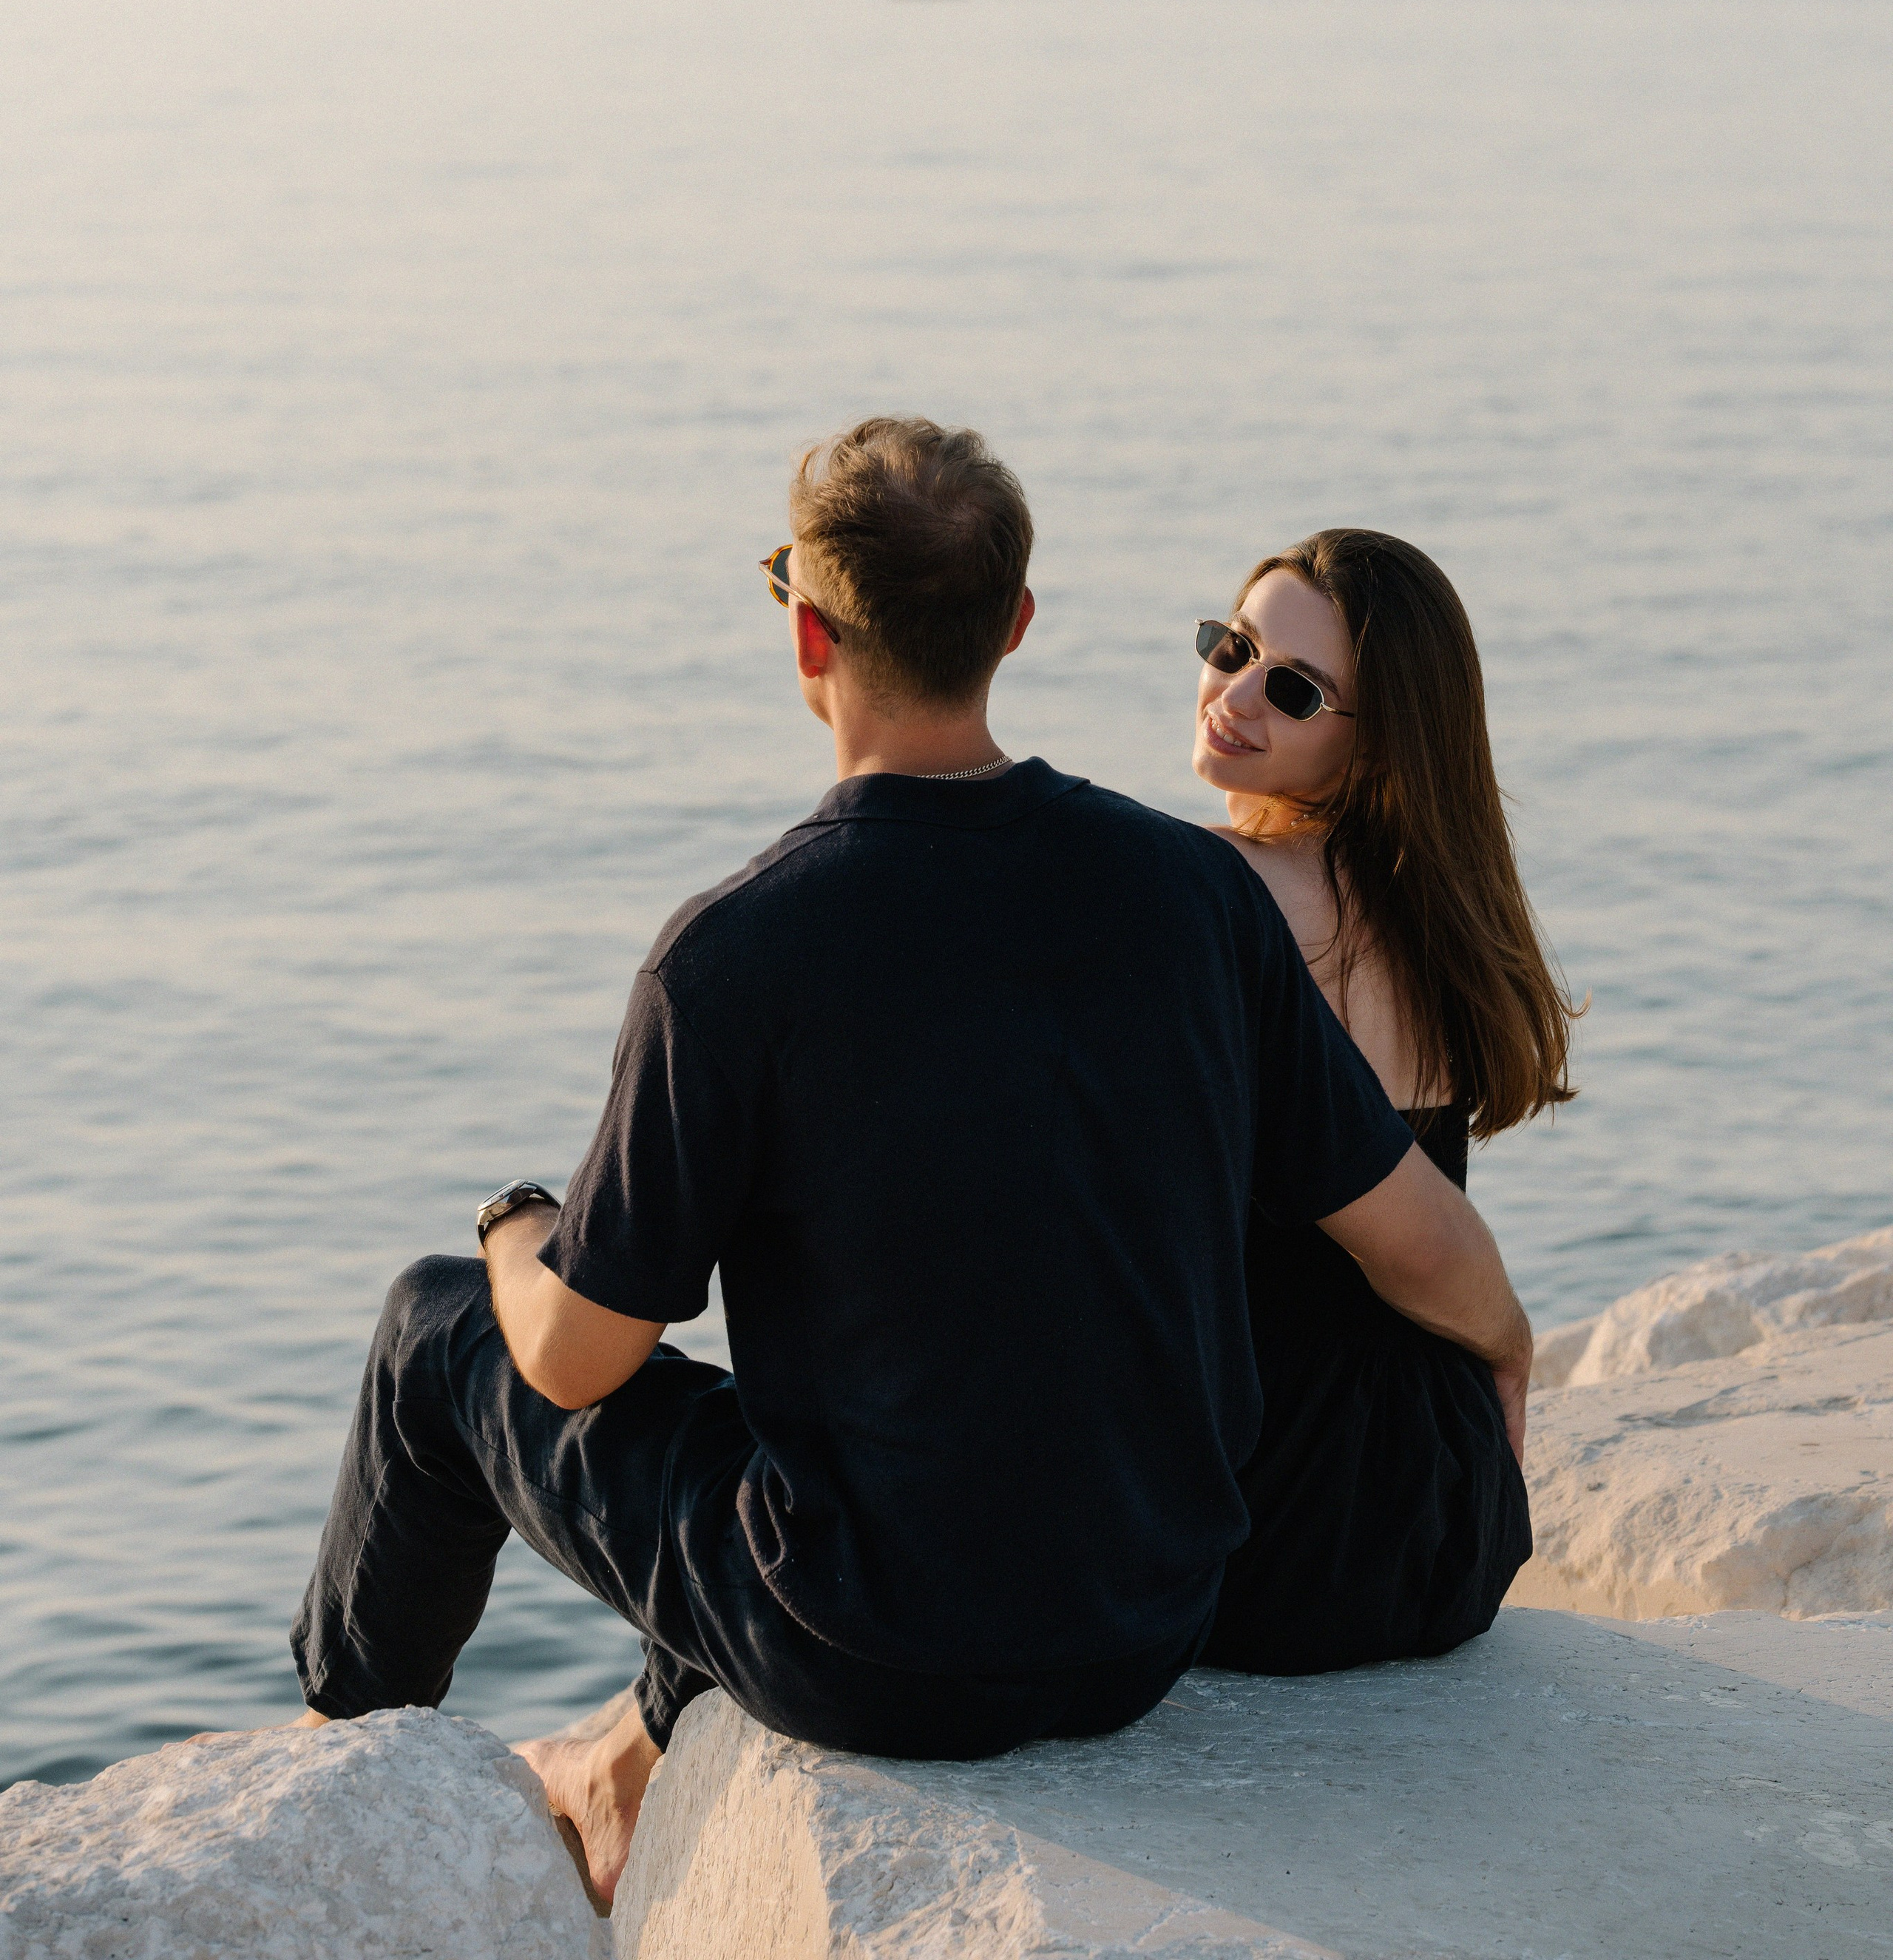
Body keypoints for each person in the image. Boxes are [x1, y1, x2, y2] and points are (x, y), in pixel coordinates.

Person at [291, 424, 1534, 1908]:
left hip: (870, 1649)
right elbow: (1420, 1241)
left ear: (809, 632)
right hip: (1149, 1617)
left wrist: (514, 1229)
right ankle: (625, 1760)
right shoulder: (1190, 893)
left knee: (440, 1330)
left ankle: (327, 1819)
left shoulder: (731, 951)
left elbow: (572, 1363)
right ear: (1014, 626)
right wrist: (1507, 1375)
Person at [1191, 527, 1577, 1674]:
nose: (1236, 694)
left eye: (1294, 689)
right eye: (1235, 645)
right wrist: (1503, 1344)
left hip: (1271, 1532)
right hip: (1451, 1518)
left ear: (1376, 746)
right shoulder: (1444, 920)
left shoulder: (1212, 885)